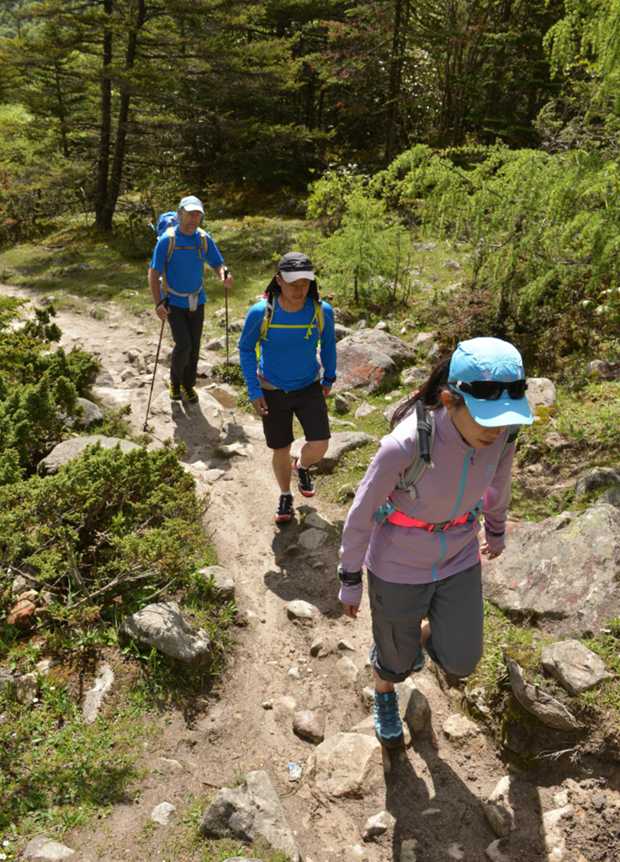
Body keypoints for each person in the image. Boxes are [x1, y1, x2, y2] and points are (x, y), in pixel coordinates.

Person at [337, 336, 533, 748]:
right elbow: (361, 512)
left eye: (504, 419)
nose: (497, 430)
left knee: (462, 660)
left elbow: (498, 483)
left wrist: (496, 529)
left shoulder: (504, 434)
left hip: (460, 554)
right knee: (396, 662)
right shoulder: (404, 445)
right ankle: (385, 688)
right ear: (448, 400)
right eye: (486, 419)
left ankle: (413, 633)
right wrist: (350, 577)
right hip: (397, 564)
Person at [238, 252, 337, 523]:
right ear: (279, 280)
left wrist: (329, 378)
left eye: (305, 283)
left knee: (320, 444)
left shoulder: (321, 311)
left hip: (309, 385)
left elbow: (328, 345)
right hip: (271, 389)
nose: (299, 289)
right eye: (293, 283)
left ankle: (302, 466)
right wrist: (254, 391)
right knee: (280, 447)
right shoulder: (261, 312)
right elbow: (246, 349)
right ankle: (285, 495)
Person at [148, 195, 233, 403]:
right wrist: (158, 303)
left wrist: (224, 274)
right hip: (173, 302)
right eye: (190, 214)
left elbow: (217, 263)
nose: (194, 219)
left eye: (197, 215)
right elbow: (153, 273)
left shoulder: (203, 239)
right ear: (180, 214)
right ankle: (175, 383)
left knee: (194, 347)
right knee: (184, 344)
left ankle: (188, 385)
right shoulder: (168, 240)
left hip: (197, 300)